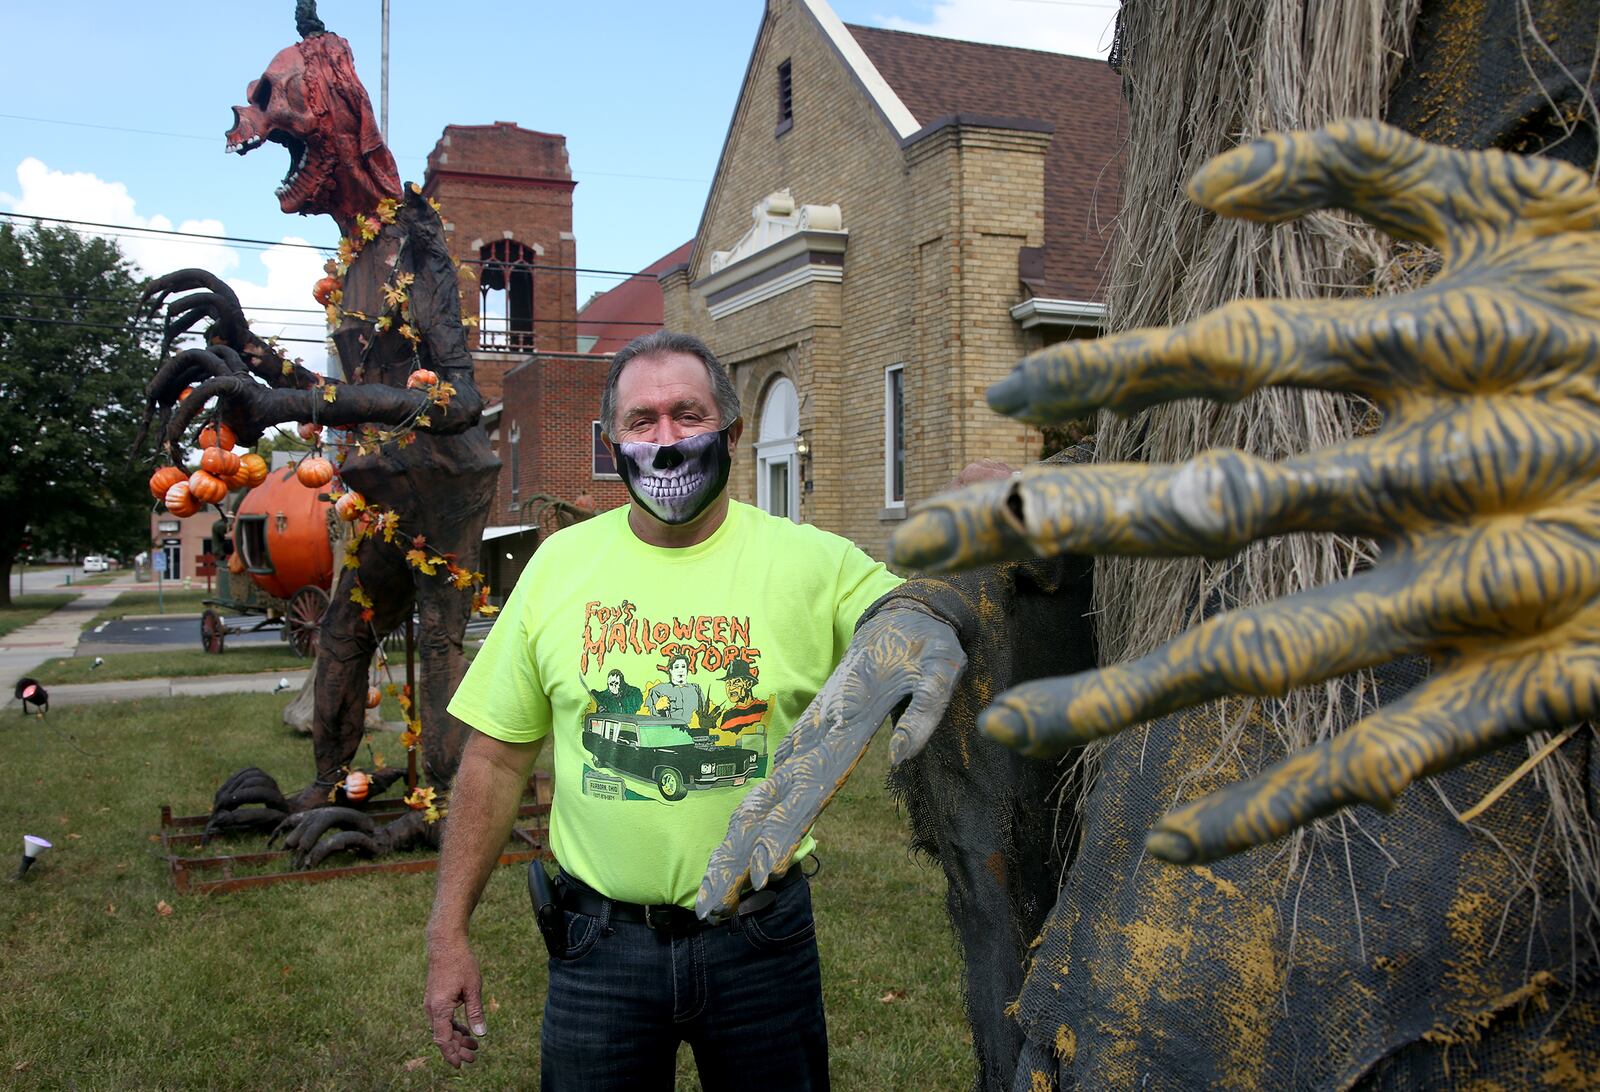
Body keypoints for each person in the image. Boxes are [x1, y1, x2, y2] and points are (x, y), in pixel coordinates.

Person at [423, 330, 916, 1089]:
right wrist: (448, 929)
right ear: (613, 440)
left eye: (687, 416)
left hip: (762, 942)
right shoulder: (559, 566)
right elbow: (494, 759)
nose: (665, 442)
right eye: (641, 422)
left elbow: (921, 627)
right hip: (599, 950)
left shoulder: (815, 563)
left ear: (733, 431)